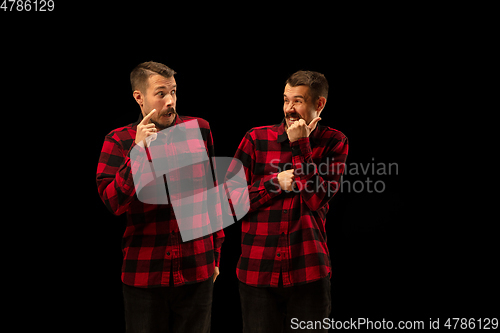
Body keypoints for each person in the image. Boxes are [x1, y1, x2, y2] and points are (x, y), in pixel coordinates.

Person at [96, 61, 224, 333]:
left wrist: (216, 256)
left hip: (197, 269)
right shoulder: (119, 140)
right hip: (145, 274)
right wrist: (138, 151)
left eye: (174, 92)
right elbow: (114, 202)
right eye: (161, 93)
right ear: (139, 97)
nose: (170, 101)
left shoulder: (198, 129)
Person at [226, 70, 349, 332]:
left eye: (298, 101)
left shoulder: (334, 142)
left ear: (320, 104)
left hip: (309, 273)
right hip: (257, 270)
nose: (289, 109)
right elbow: (228, 203)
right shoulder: (256, 139)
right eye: (286, 100)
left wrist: (301, 145)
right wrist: (274, 184)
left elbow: (316, 198)